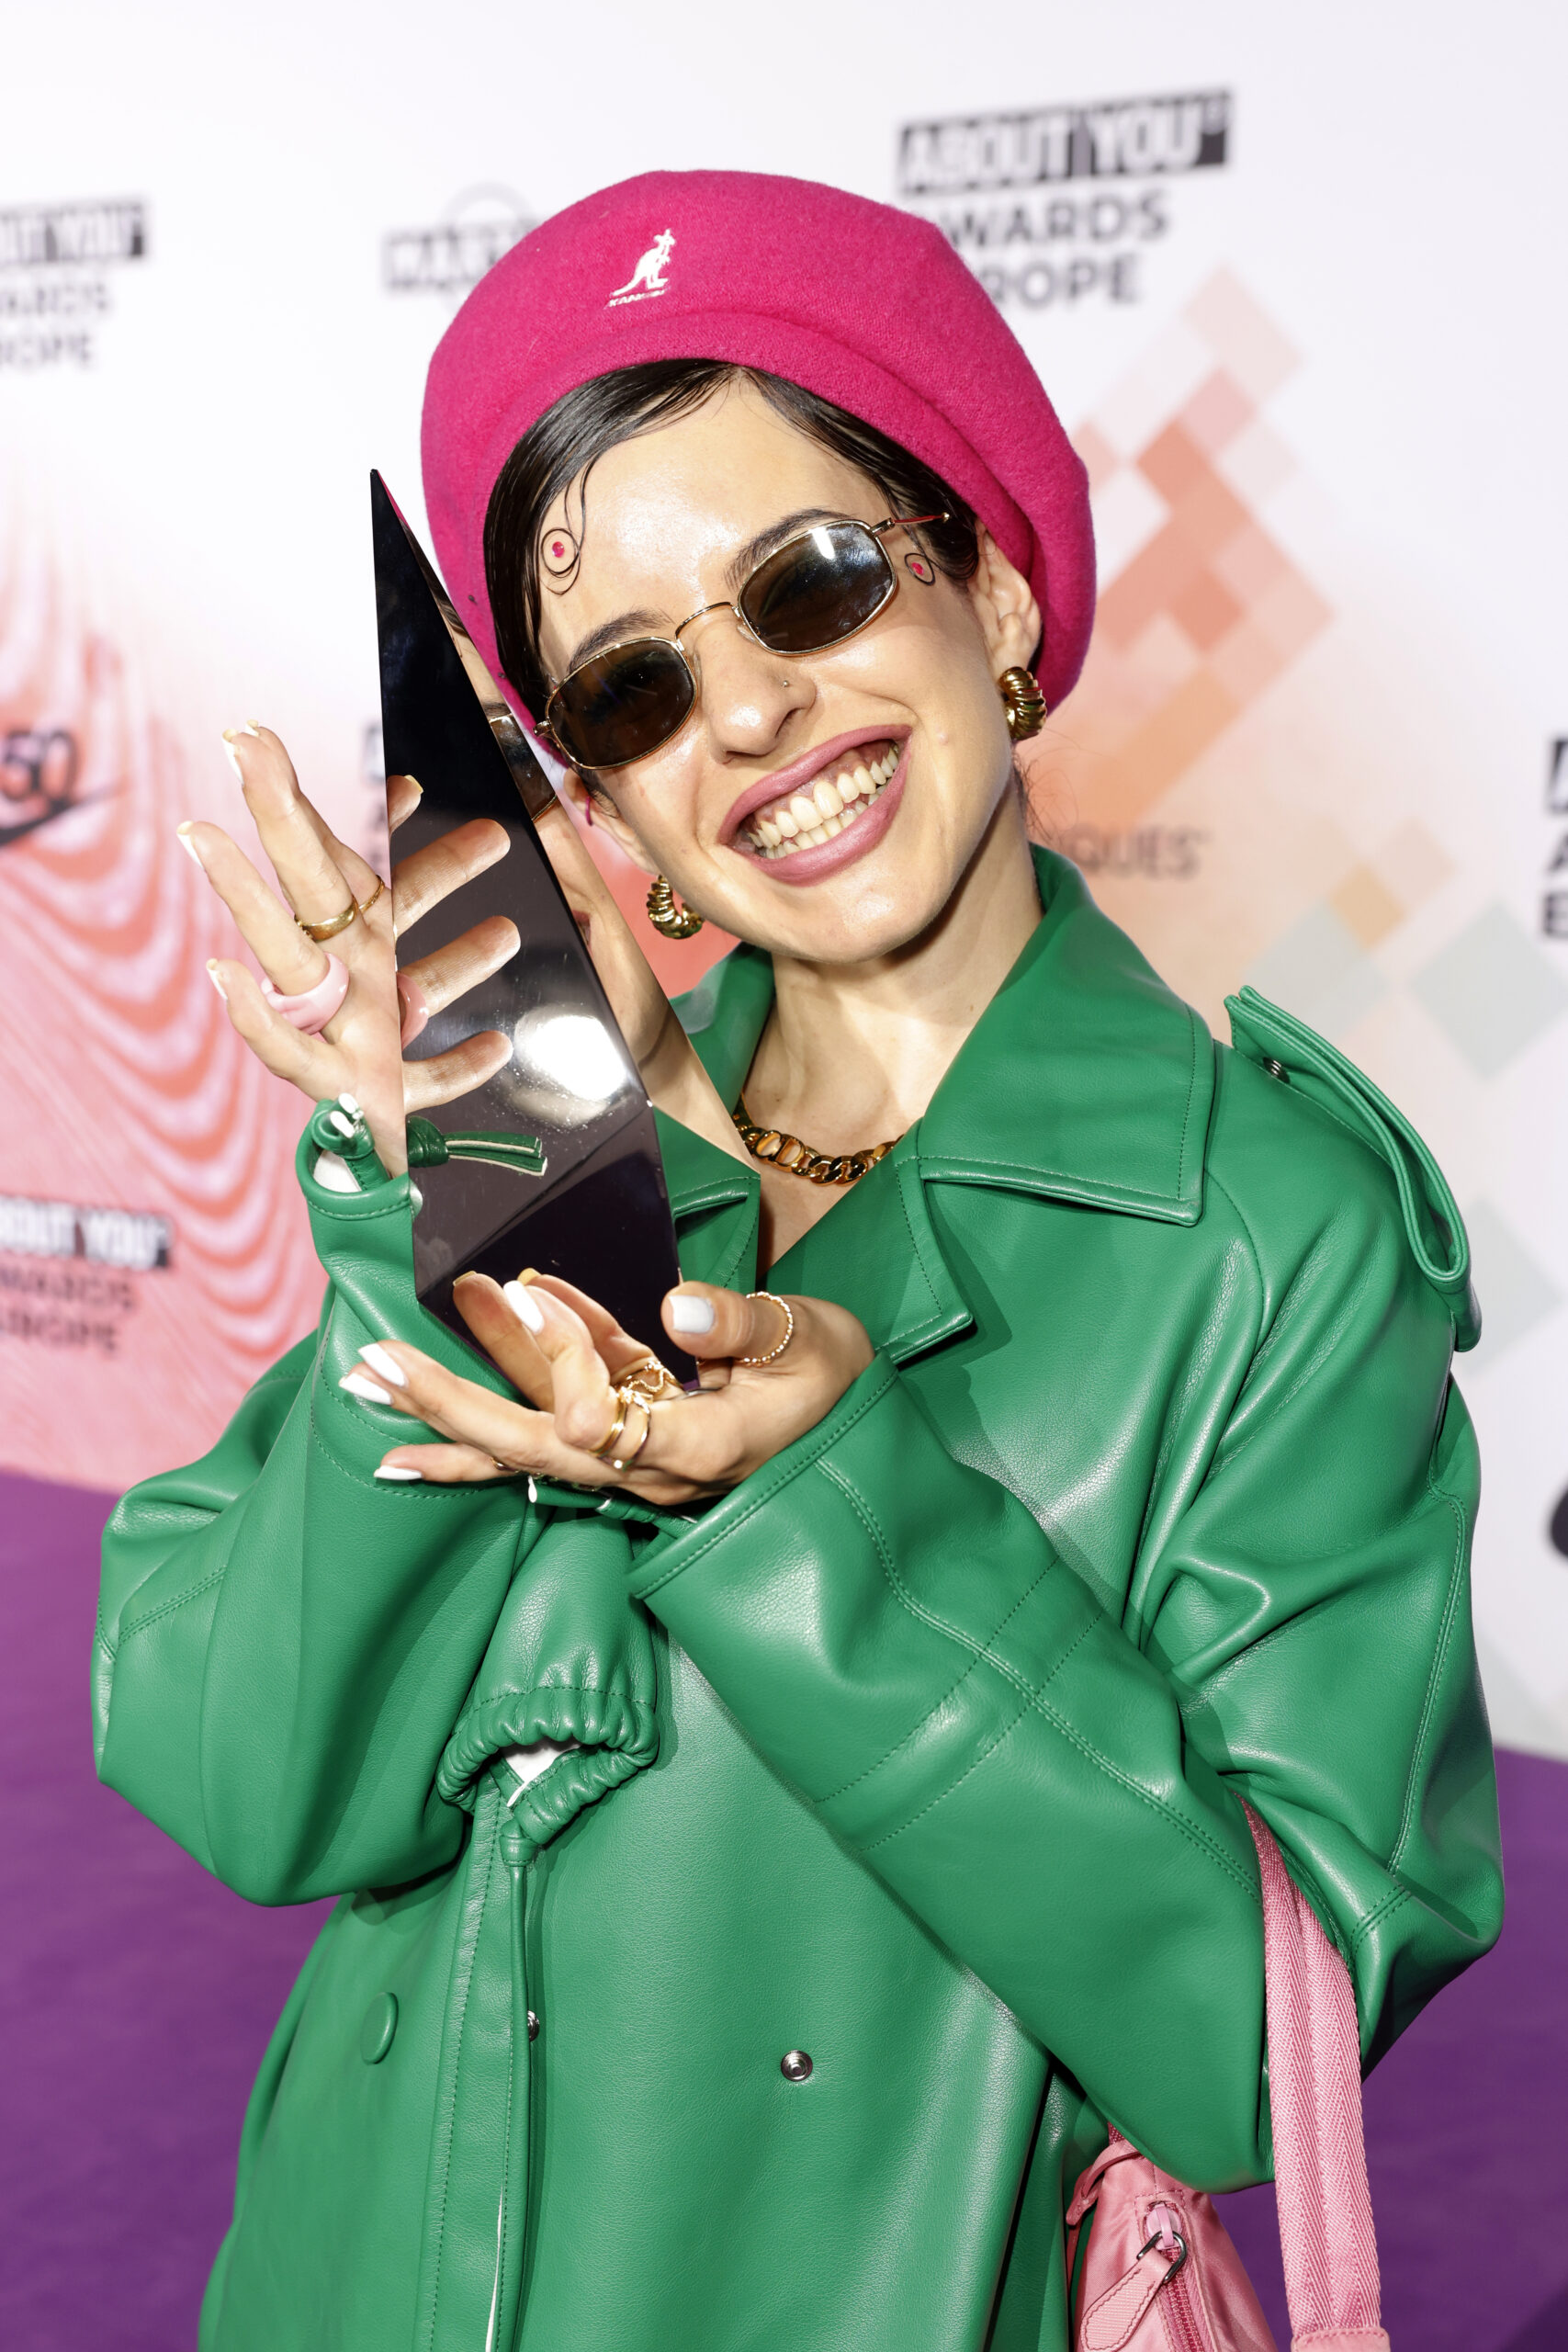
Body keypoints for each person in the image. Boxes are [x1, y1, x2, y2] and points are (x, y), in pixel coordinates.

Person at [96, 172, 1501, 2352]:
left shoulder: (1267, 1226)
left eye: (809, 584)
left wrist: (819, 1492)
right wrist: (442, 1189)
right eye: (635, 689)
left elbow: (1250, 2042)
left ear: (990, 588)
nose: (745, 713)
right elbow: (252, 1777)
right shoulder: (554, 1136)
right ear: (600, 804)